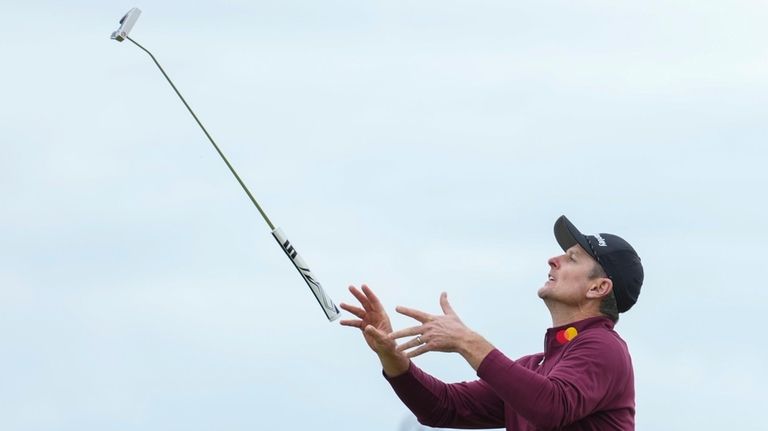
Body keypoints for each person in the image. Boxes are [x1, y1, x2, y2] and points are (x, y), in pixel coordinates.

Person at [340, 215, 644, 430]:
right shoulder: (536, 368)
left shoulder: (604, 347)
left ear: (598, 288)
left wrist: (466, 341)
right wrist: (391, 355)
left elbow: (550, 407)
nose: (554, 260)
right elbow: (444, 407)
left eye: (572, 259)